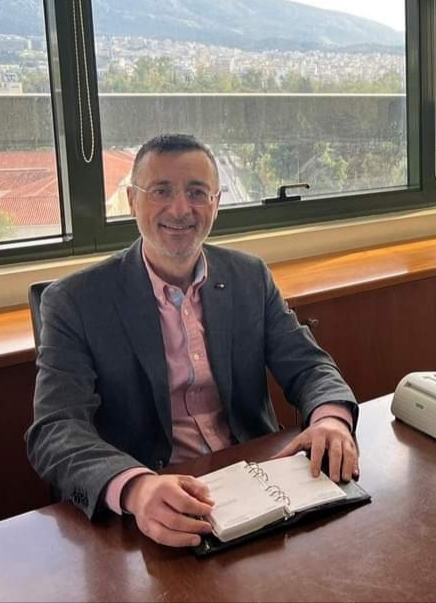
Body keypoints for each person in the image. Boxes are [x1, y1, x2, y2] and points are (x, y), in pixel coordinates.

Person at [25, 133, 359, 548]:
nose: (180, 209)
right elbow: (56, 429)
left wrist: (330, 419)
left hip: (259, 484)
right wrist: (136, 488)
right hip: (155, 507)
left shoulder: (249, 277)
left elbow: (308, 365)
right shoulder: (75, 302)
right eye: (161, 191)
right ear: (132, 201)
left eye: (197, 192)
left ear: (216, 203)